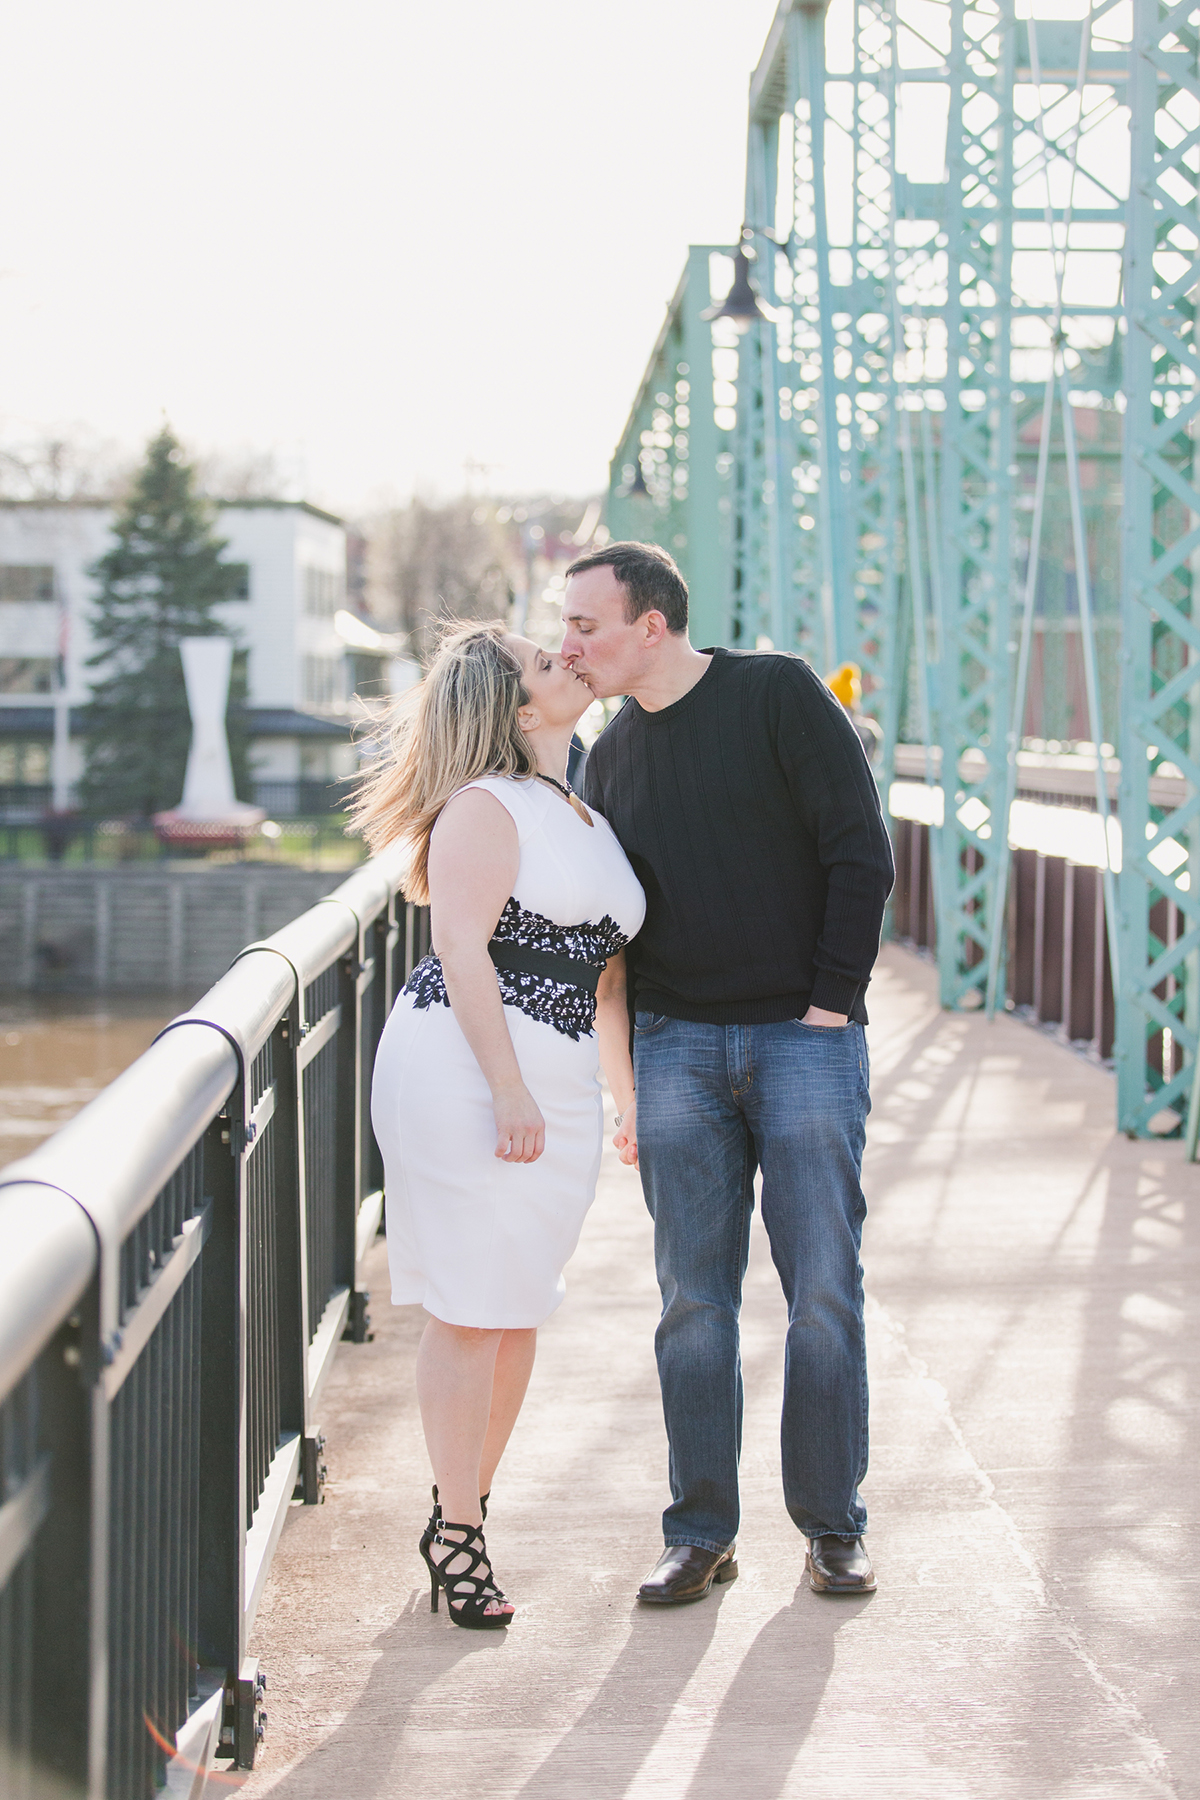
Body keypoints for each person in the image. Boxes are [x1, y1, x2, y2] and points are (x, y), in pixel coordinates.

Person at [561, 543, 894, 1601]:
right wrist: (628, 1079)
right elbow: (606, 931)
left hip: (804, 1040)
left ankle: (832, 1524)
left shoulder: (777, 693)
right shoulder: (606, 756)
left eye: (587, 625)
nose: (571, 645)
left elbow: (862, 851)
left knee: (823, 1296)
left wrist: (828, 1007)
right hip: (677, 1050)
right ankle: (700, 1530)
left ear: (650, 623)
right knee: (691, 1304)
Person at [356, 620, 645, 1629]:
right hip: (466, 1072)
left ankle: (454, 1518)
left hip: (560, 1076)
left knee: (518, 1306)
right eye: (542, 659)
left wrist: (626, 1095)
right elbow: (463, 949)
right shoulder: (483, 807)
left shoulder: (587, 813)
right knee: (472, 1309)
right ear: (516, 708)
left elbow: (606, 979)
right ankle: (466, 1532)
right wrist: (508, 1087)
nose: (567, 656)